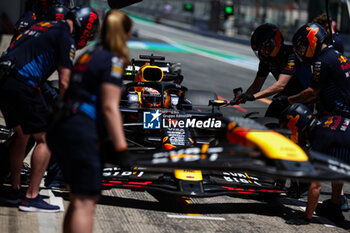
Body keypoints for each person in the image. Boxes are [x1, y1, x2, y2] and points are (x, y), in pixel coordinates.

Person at [0, 5, 99, 212]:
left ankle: (15, 190)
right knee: (46, 138)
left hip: (5, 80)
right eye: (89, 33)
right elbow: (65, 81)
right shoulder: (66, 37)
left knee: (22, 135)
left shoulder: (45, 25)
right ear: (84, 26)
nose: (87, 38)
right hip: (23, 84)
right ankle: (31, 197)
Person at [47, 10, 131, 232]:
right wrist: (121, 147)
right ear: (123, 34)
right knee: (85, 203)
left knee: (77, 199)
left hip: (63, 126)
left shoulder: (88, 54)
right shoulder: (112, 60)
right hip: (82, 131)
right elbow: (109, 107)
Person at [280, 103, 349, 224]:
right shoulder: (325, 120)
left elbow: (316, 185)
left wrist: (306, 217)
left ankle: (311, 215)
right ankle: (334, 207)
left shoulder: (320, 138)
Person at [234, 23, 312, 117]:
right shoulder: (266, 60)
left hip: (303, 98)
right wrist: (243, 97)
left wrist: (254, 96)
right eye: (260, 50)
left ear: (275, 42)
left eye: (265, 48)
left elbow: (280, 85)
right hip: (285, 97)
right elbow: (256, 86)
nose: (262, 53)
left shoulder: (291, 55)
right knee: (269, 118)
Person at [284, 23, 350, 118]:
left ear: (311, 42)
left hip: (341, 113)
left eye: (302, 48)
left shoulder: (322, 61)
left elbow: (311, 93)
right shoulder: (334, 53)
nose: (301, 53)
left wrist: (288, 100)